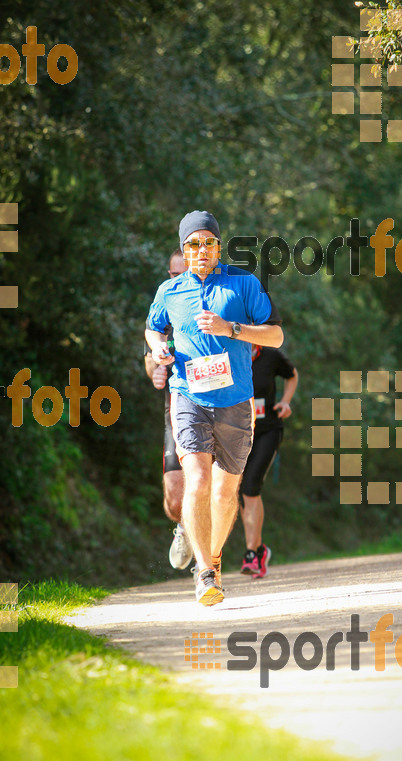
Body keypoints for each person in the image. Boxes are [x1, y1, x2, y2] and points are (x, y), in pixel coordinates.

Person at [145, 210, 283, 605]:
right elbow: (154, 327)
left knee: (225, 494)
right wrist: (157, 347)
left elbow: (275, 335)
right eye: (192, 243)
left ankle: (215, 557)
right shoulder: (169, 291)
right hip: (188, 396)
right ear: (183, 250)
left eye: (208, 242)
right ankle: (205, 573)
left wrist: (231, 329)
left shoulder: (244, 284)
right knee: (198, 481)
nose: (200, 250)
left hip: (236, 403)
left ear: (219, 246)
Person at [144, 249, 193, 570]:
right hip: (175, 412)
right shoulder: (163, 308)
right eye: (172, 275)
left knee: (212, 489)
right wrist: (155, 369)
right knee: (176, 499)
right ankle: (184, 526)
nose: (177, 281)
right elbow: (150, 358)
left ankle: (208, 564)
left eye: (183, 274)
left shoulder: (213, 304)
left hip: (219, 411)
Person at [240, 345, 298, 578]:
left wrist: (286, 401)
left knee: (250, 486)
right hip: (240, 433)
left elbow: (292, 375)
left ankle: (251, 554)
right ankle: (259, 550)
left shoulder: (271, 355)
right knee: (247, 492)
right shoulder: (230, 354)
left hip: (268, 431)